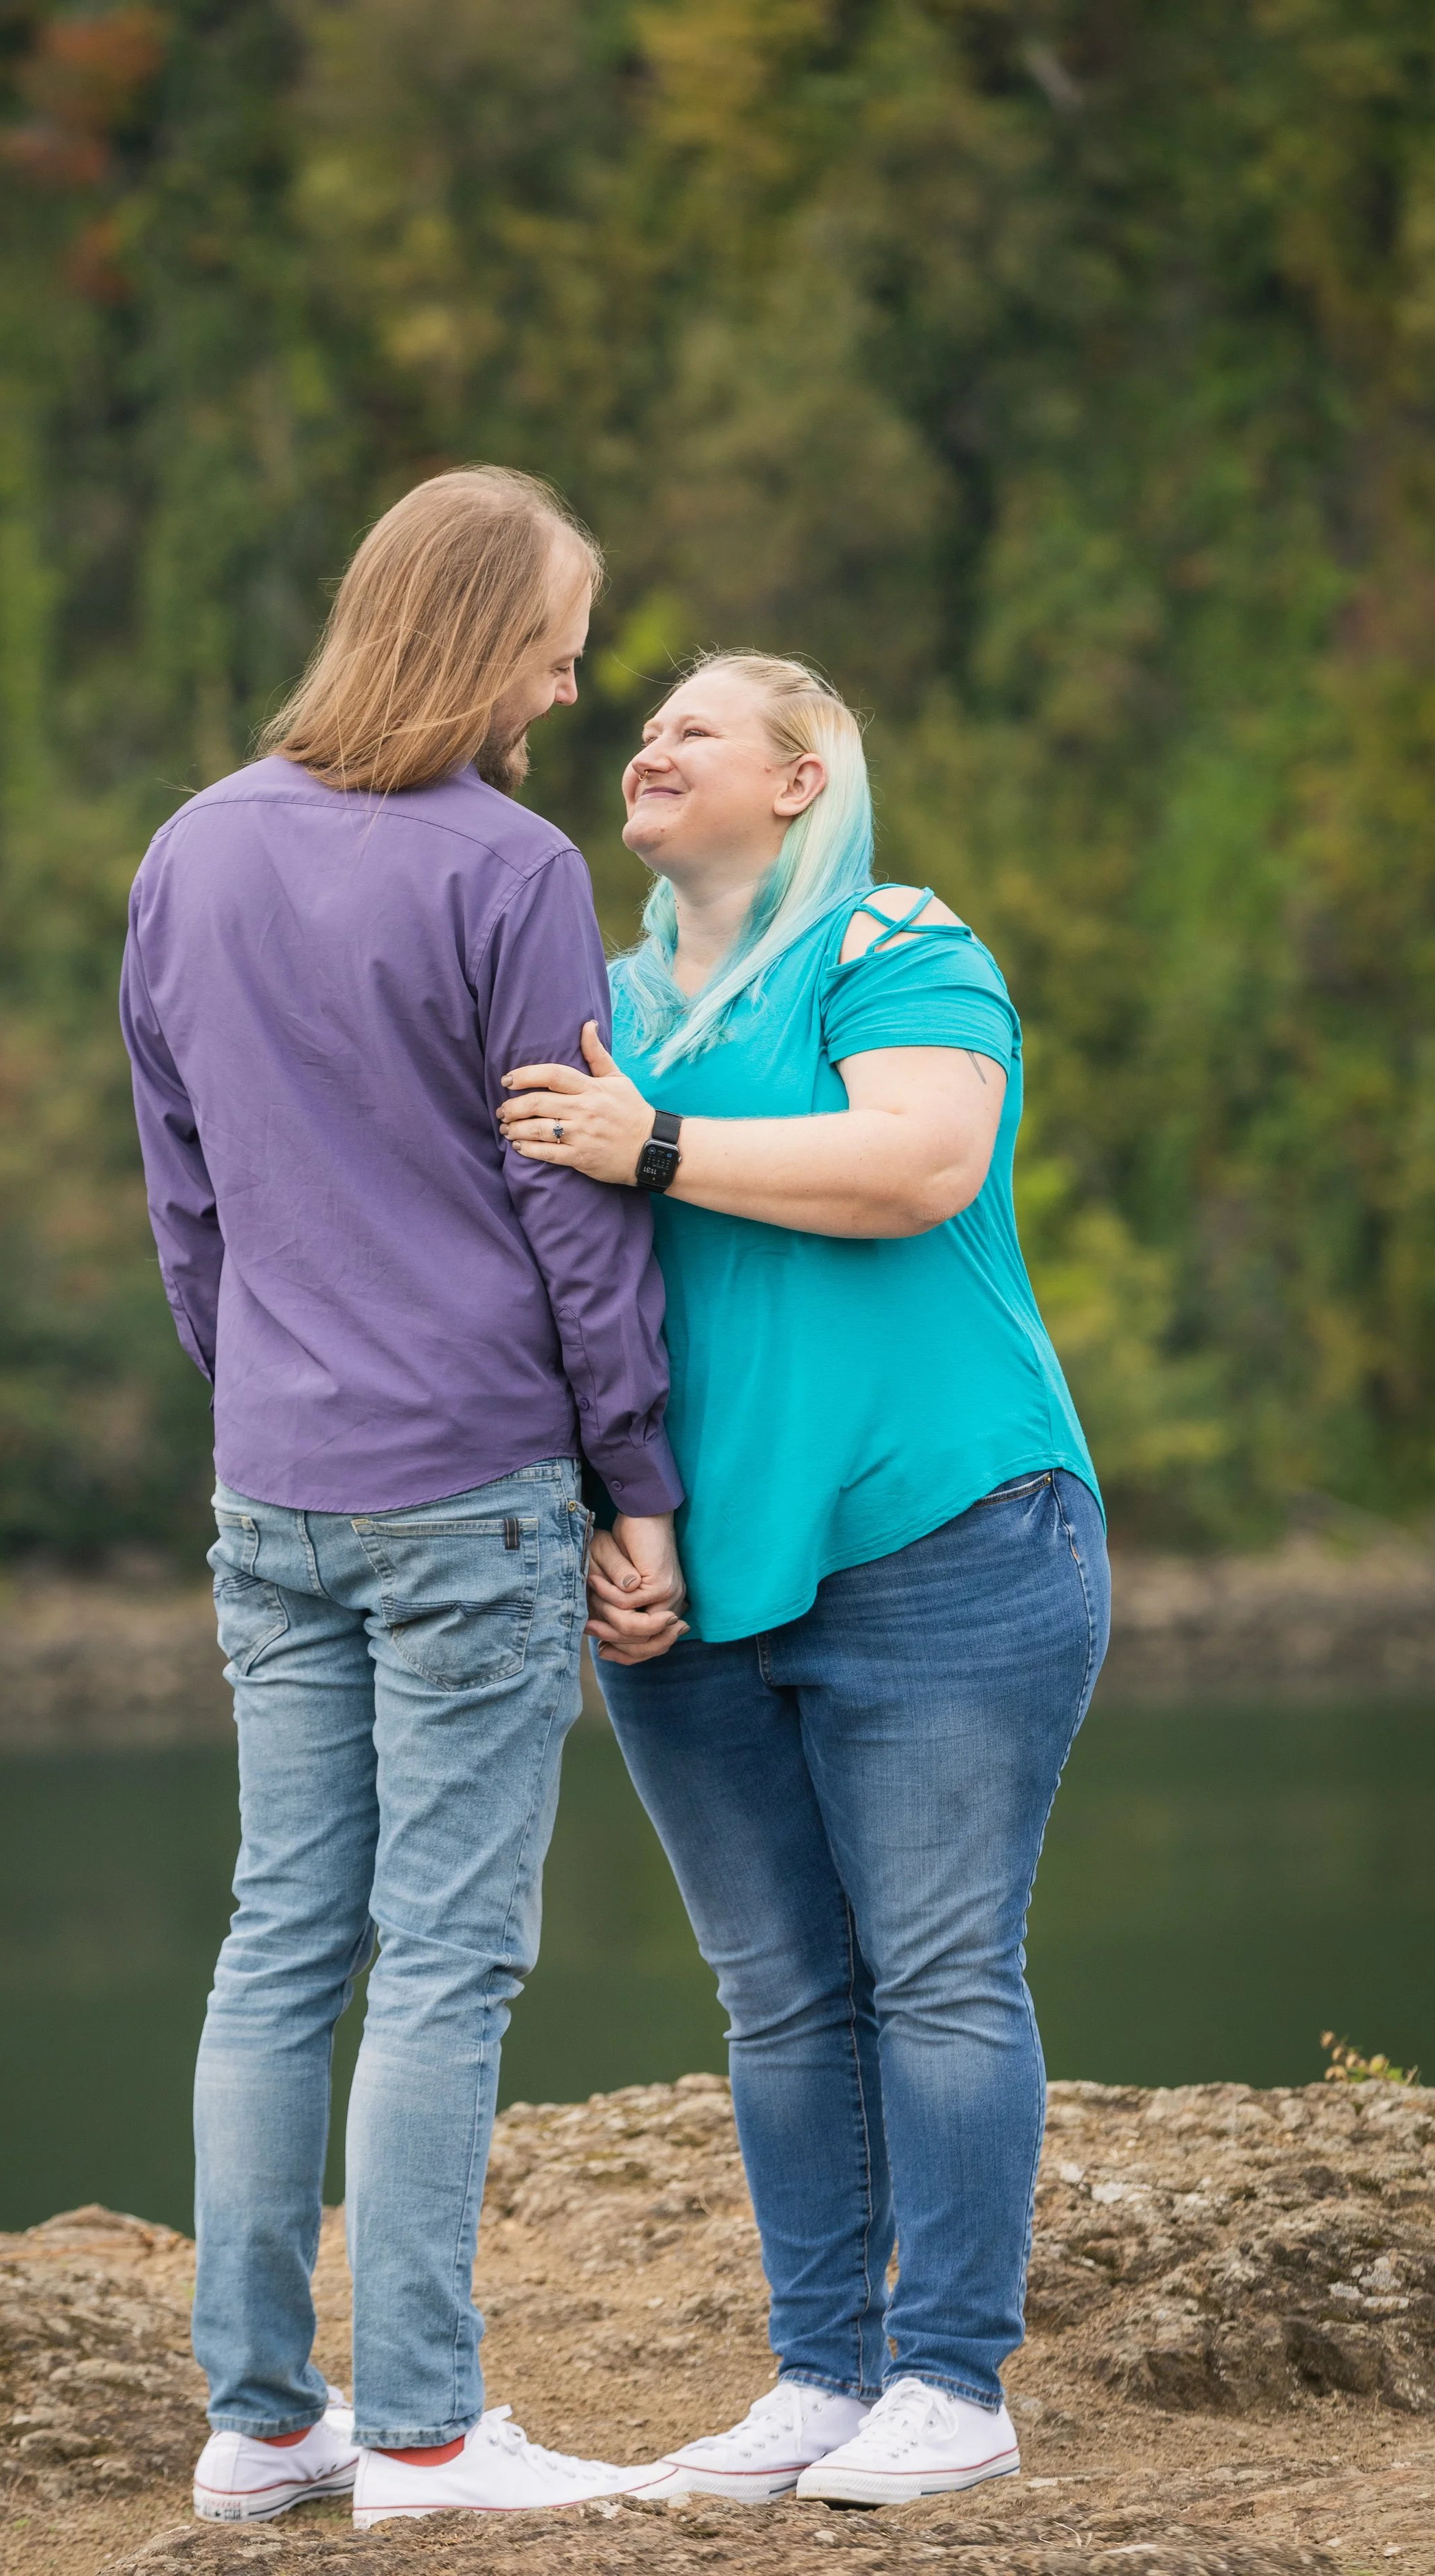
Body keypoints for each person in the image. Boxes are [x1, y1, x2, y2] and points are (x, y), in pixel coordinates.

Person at [120, 466, 686, 2531]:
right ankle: (432, 2437)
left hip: (274, 1480)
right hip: (469, 1477)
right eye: (557, 640)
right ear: (473, 635)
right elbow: (576, 1210)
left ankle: (263, 2426)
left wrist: (274, 1396)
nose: (571, 680)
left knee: (281, 1940)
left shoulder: (189, 848)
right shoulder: (512, 871)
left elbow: (185, 1199)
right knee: (443, 1958)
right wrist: (637, 1481)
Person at [498, 651, 1109, 2509]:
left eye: (694, 725)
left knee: (935, 1969)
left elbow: (921, 1162)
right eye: (640, 727)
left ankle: (953, 2384)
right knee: (776, 1992)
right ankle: (822, 2376)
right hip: (690, 1570)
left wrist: (659, 1143)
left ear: (798, 778)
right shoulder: (599, 1006)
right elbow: (560, 1292)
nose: (647, 744)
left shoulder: (889, 942)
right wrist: (607, 1516)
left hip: (944, 1534)